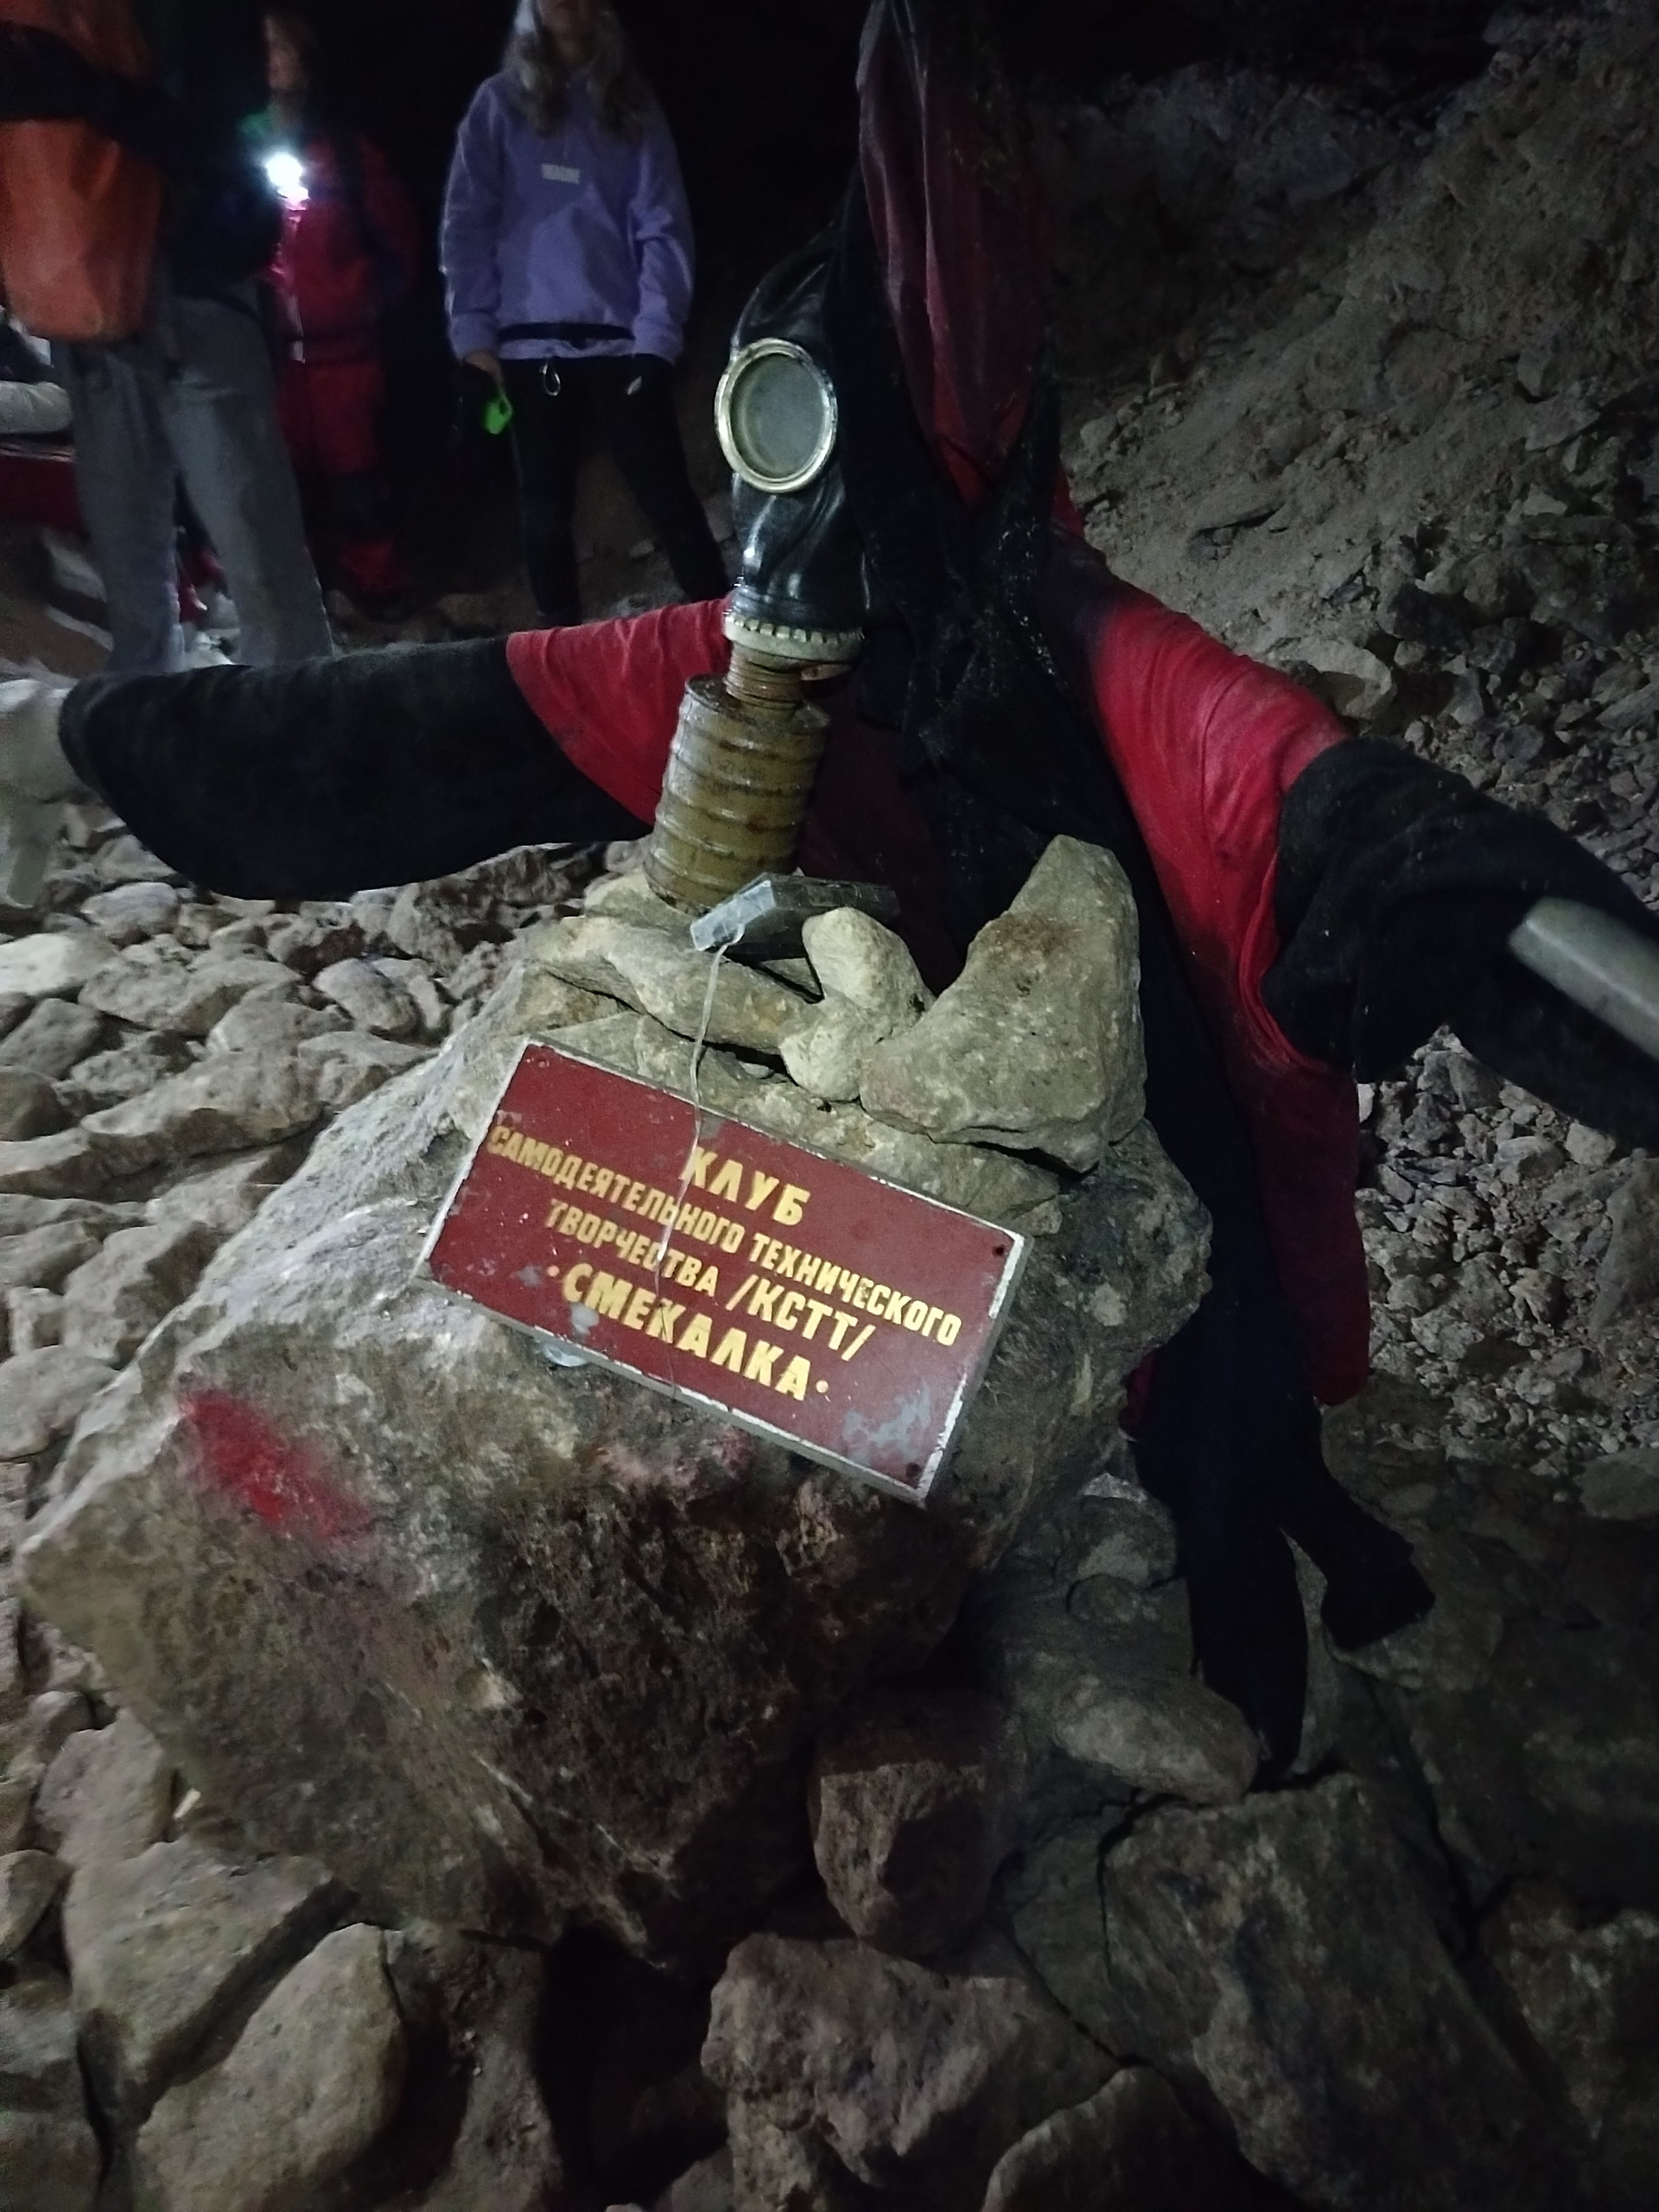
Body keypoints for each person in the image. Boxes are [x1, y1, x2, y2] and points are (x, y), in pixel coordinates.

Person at [3, 0, 1657, 1770]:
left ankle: (1248, 1680)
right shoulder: (741, 672)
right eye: (768, 441)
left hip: (1138, 1155)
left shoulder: (1099, 673)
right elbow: (413, 738)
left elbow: (1341, 825)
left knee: (1220, 1388)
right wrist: (89, 739)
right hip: (879, 1174)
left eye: (806, 431)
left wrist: (1460, 894)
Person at [0, 0, 333, 674]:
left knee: (246, 552)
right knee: (142, 559)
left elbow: (223, 135)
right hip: (97, 301)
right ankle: (175, 717)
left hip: (178, 293)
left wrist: (91, 95)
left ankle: (296, 714)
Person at [439, 0, 728, 626]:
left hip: (618, 344)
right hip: (526, 346)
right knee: (543, 515)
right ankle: (562, 662)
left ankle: (728, 643)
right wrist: (475, 341)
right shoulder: (498, 105)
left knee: (670, 501)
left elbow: (663, 226)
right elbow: (467, 226)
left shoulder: (632, 105)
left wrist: (657, 337)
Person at [257, 10, 422, 620]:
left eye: (281, 46)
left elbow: (397, 240)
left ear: (306, 58)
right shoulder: (237, 149)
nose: (270, 58)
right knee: (279, 478)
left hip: (344, 354)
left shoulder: (347, 155)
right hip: (272, 355)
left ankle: (375, 590)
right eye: (260, 47)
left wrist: (370, 304)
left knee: (358, 478)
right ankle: (298, 595)